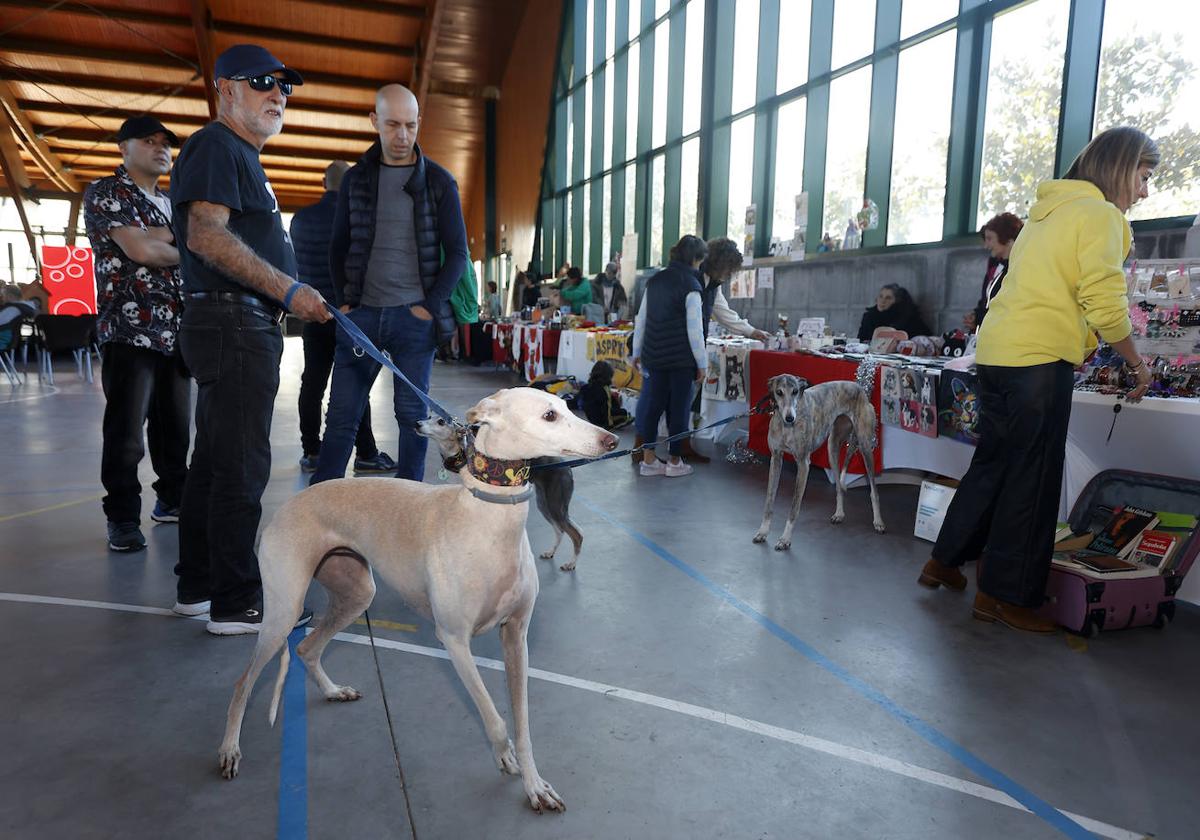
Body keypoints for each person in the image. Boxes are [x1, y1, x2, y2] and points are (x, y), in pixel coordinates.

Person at [919, 126, 1158, 633]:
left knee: (993, 463)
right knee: (1033, 478)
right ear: (1121, 167)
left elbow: (1049, 291)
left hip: (999, 354)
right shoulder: (1102, 216)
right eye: (1143, 175)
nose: (1144, 190)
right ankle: (1006, 597)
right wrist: (1136, 362)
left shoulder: (1045, 214)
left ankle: (943, 561)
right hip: (1036, 360)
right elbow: (1102, 298)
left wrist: (1083, 345)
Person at [171, 44, 330, 634]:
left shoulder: (237, 155)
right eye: (262, 82)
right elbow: (206, 237)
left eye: (285, 86)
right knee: (240, 467)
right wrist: (287, 289)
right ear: (226, 89)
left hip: (234, 322)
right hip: (235, 323)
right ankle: (238, 600)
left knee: (213, 464)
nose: (277, 94)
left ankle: (199, 585)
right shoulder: (217, 145)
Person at [313, 83, 468, 485]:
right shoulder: (356, 181)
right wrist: (345, 304)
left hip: (414, 323)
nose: (402, 136)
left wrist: (428, 307)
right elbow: (338, 248)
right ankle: (319, 506)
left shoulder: (439, 181)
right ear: (374, 122)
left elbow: (458, 254)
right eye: (393, 125)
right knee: (342, 417)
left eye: (411, 126)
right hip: (360, 318)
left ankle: (410, 508)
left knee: (413, 420)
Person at [83, 115, 191, 553]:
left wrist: (164, 238)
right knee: (126, 431)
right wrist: (175, 242)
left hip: (175, 329)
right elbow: (142, 250)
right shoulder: (106, 192)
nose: (161, 148)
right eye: (149, 141)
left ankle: (171, 500)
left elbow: (170, 244)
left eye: (166, 143)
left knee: (176, 427)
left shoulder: (170, 202)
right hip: (130, 329)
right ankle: (123, 517)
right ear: (123, 147)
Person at [290, 161, 394, 475]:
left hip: (313, 312)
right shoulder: (357, 219)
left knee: (312, 382)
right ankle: (366, 453)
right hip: (352, 315)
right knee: (355, 383)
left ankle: (311, 450)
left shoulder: (301, 219)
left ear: (324, 182)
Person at [631, 235, 708, 478]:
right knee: (679, 410)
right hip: (681, 361)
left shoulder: (654, 281)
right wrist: (702, 363)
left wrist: (636, 351)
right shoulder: (692, 286)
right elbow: (695, 331)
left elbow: (641, 320)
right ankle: (675, 462)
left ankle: (649, 461)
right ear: (695, 259)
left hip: (653, 357)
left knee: (652, 408)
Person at [975, 212, 1023, 327]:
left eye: (990, 239)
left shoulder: (1019, 269)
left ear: (1006, 238)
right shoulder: (994, 267)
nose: (986, 245)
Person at [856, 283, 931, 342]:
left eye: (888, 298)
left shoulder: (907, 318)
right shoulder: (869, 317)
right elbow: (861, 340)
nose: (883, 301)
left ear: (896, 301)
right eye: (881, 296)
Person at [578, 360, 633, 430]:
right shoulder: (604, 389)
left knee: (610, 402)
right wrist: (609, 425)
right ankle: (618, 421)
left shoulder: (586, 387)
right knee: (624, 412)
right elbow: (606, 408)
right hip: (601, 420)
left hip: (591, 418)